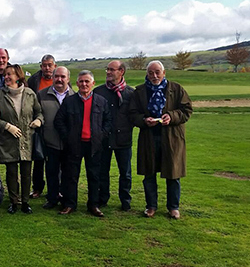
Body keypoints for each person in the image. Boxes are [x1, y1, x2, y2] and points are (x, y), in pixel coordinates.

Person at [128, 60, 192, 219]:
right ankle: (151, 206)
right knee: (149, 174)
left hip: (171, 138)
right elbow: (132, 113)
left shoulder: (176, 89)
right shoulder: (140, 91)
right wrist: (144, 120)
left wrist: (171, 116)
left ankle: (173, 207)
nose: (154, 76)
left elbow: (186, 111)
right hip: (149, 138)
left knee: (173, 173)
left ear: (164, 73)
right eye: (151, 73)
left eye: (157, 72)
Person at [0, 64, 43, 214]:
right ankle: (14, 201)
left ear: (18, 76)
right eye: (5, 75)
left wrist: (38, 121)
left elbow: (39, 113)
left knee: (26, 173)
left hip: (27, 139)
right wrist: (6, 126)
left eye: (9, 74)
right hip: (8, 140)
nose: (6, 77)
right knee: (11, 173)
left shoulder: (30, 94)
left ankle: (25, 202)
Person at [54, 70, 111, 216]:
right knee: (71, 176)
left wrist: (101, 135)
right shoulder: (69, 101)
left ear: (93, 83)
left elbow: (108, 122)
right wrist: (68, 137)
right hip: (74, 144)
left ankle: (93, 205)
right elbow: (59, 121)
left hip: (94, 145)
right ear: (76, 83)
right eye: (81, 81)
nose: (84, 84)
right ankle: (70, 204)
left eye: (87, 81)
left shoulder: (101, 101)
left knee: (94, 176)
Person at [92, 60, 135, 211]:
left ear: (121, 71)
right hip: (104, 139)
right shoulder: (98, 92)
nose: (108, 72)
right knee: (103, 171)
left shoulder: (131, 93)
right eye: (107, 69)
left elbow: (134, 116)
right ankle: (102, 198)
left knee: (125, 173)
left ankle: (125, 200)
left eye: (112, 70)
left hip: (123, 139)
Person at [37, 66, 74, 209]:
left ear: (68, 79)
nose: (59, 79)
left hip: (68, 143)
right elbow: (37, 114)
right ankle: (52, 199)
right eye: (57, 76)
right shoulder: (42, 95)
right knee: (51, 172)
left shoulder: (74, 96)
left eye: (63, 77)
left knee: (67, 173)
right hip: (50, 141)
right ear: (52, 78)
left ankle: (65, 198)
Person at [26, 54, 57, 199]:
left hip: (55, 125)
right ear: (41, 67)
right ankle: (37, 188)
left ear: (54, 66)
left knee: (56, 160)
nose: (47, 68)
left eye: (50, 65)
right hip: (38, 125)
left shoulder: (61, 78)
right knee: (38, 158)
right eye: (44, 65)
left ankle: (56, 189)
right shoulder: (34, 80)